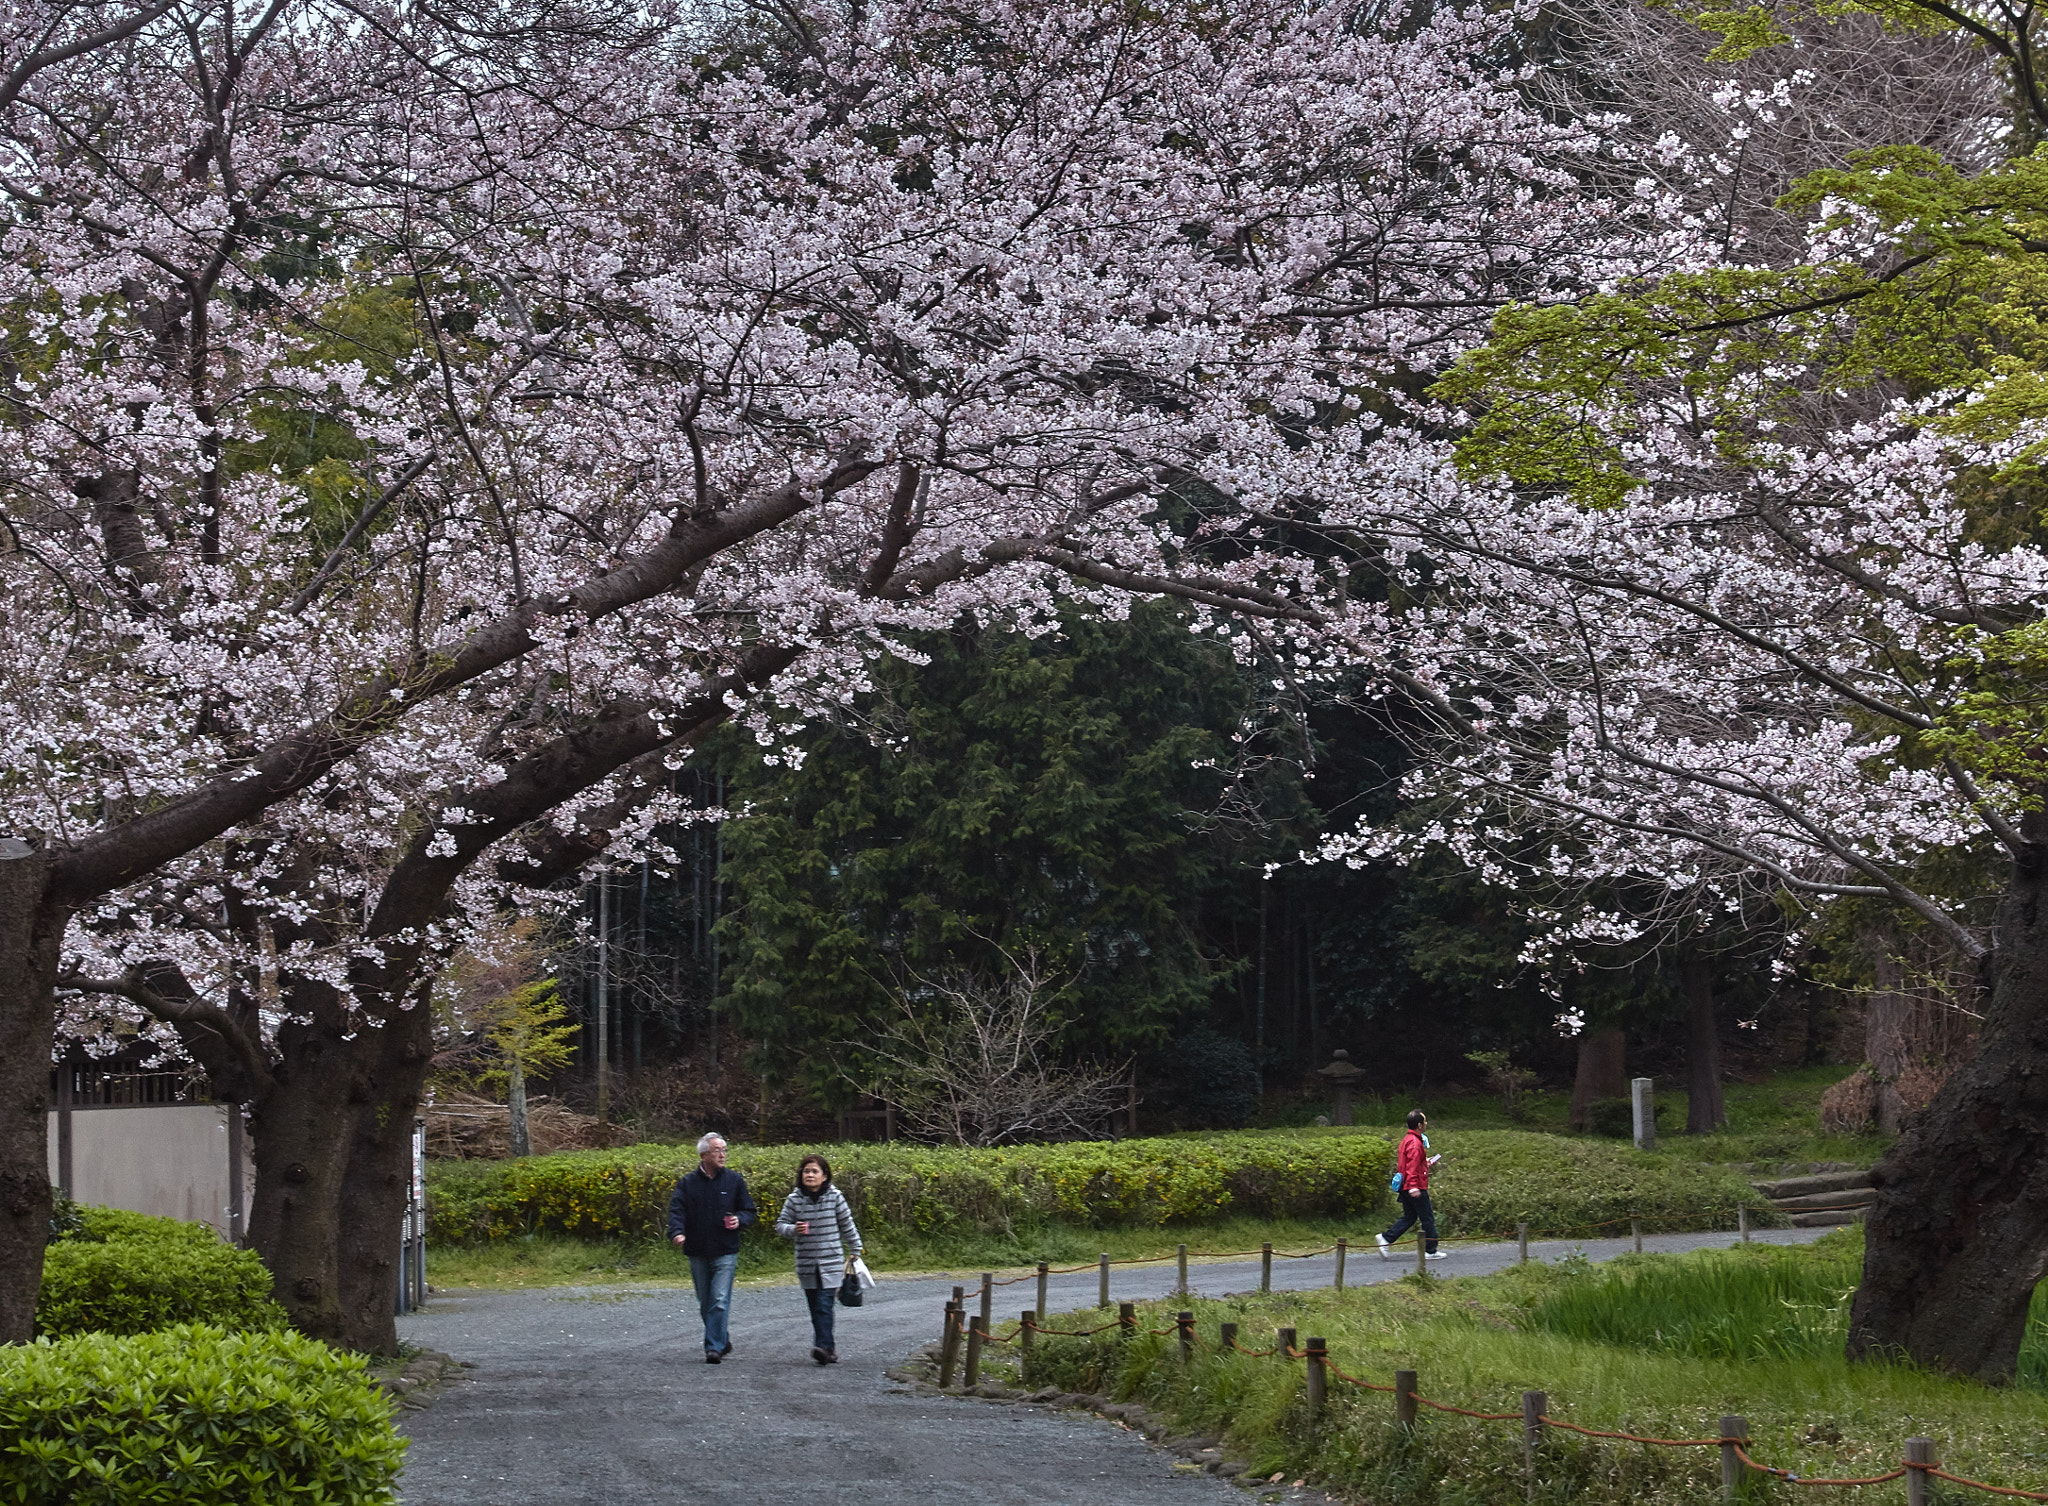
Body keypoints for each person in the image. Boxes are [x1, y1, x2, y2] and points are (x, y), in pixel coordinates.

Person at [668, 1133, 758, 1362]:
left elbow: (749, 1210)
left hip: (725, 1249)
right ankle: (722, 1338)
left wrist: (740, 1219)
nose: (722, 1154)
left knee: (719, 1299)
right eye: (717, 1150)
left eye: (724, 1150)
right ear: (703, 1155)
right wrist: (677, 1232)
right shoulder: (687, 1183)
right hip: (697, 1250)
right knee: (706, 1302)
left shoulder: (734, 1180)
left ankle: (713, 1348)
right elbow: (677, 1211)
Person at [773, 1153, 864, 1365]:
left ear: (824, 1176)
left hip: (831, 1261)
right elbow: (780, 1226)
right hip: (806, 1264)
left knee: (824, 1305)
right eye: (806, 1171)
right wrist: (793, 1229)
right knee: (815, 1308)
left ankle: (822, 1347)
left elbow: (847, 1224)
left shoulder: (835, 1197)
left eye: (815, 1171)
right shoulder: (794, 1199)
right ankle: (829, 1348)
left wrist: (855, 1247)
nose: (810, 1175)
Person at [1377, 1109, 1446, 1260]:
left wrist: (1425, 1164)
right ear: (1420, 1125)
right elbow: (1412, 1167)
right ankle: (1430, 1250)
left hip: (1404, 1184)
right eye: (1425, 1122)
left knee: (1410, 1217)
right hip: (1415, 1186)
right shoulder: (1415, 1143)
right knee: (1427, 1218)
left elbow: (1410, 1164)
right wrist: (1414, 1185)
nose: (1426, 1124)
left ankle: (1386, 1239)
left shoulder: (1407, 1139)